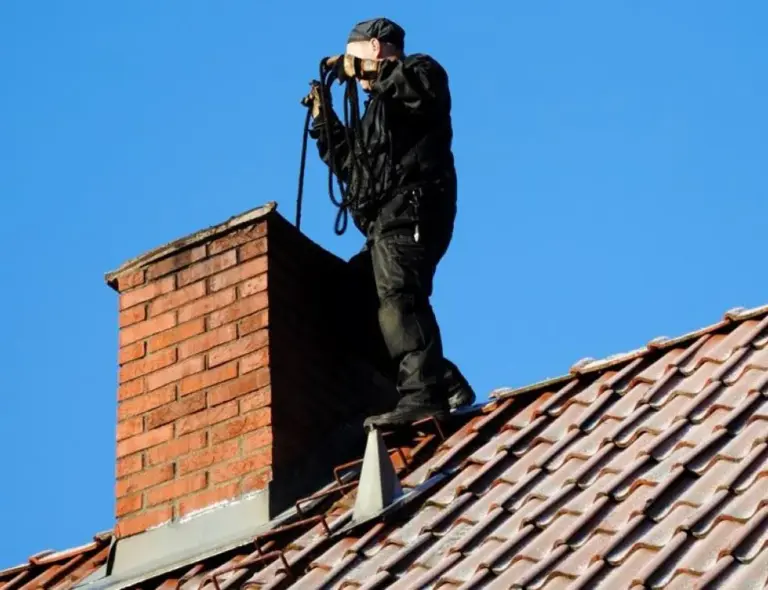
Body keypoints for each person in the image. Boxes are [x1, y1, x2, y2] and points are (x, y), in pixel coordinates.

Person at [304, 17, 475, 429]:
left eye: (353, 58)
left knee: (399, 296)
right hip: (383, 222)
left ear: (376, 48)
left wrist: (361, 69)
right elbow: (354, 168)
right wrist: (325, 121)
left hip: (412, 209)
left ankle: (423, 396)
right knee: (351, 302)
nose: (351, 75)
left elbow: (412, 89)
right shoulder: (375, 114)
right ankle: (441, 380)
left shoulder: (421, 71)